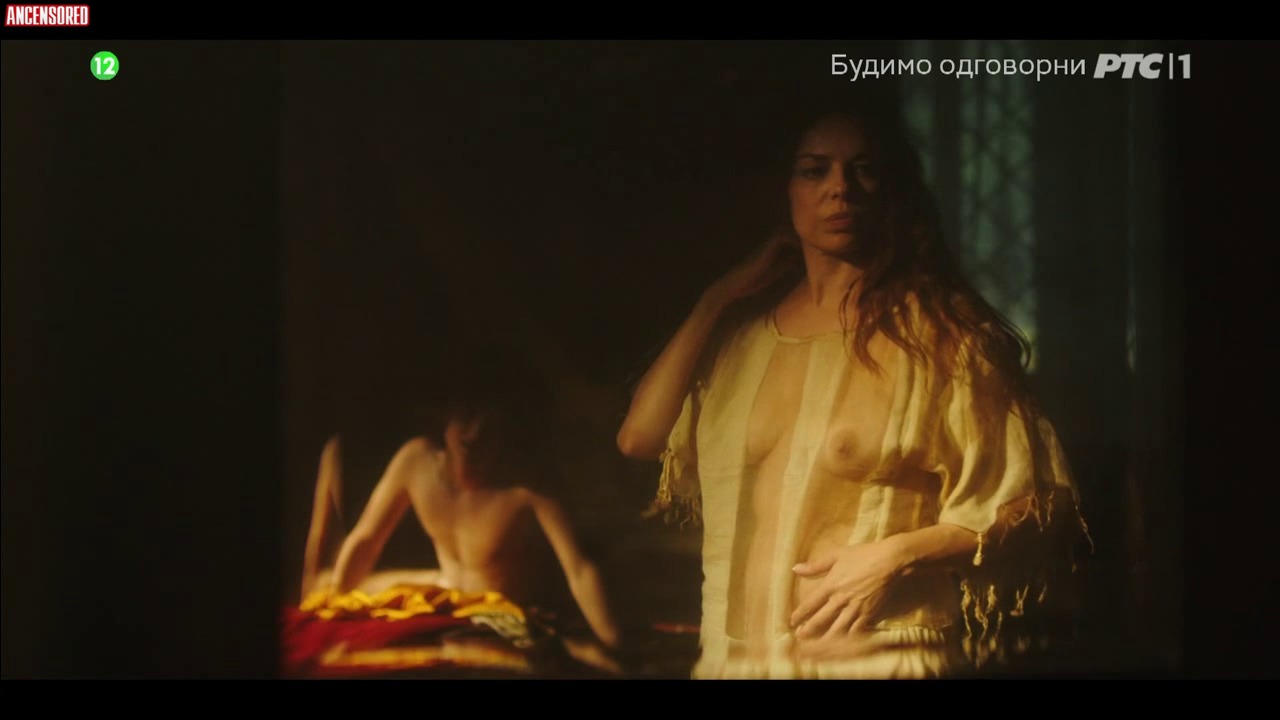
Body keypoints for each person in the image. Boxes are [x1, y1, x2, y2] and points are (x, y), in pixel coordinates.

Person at [616, 99, 1091, 679]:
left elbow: (1035, 506)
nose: (839, 189)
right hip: (734, 662)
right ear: (787, 190)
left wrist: (896, 555)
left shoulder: (942, 340)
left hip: (876, 661)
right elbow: (639, 438)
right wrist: (714, 300)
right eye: (814, 170)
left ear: (892, 192)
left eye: (863, 170)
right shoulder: (740, 340)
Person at [298, 351, 625, 671]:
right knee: (327, 586)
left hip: (501, 613)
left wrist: (612, 642)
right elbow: (367, 540)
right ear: (445, 420)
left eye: (488, 429)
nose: (475, 433)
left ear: (505, 431)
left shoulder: (528, 485)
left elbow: (579, 567)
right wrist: (336, 606)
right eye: (466, 419)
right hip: (445, 593)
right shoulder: (416, 461)